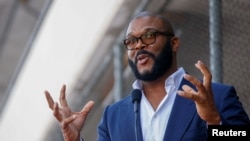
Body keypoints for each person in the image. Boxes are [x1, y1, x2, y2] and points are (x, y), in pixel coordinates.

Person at [44, 11, 250, 141]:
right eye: (131, 41)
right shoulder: (113, 117)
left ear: (174, 43)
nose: (139, 45)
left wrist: (214, 121)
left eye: (149, 36)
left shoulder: (217, 96)